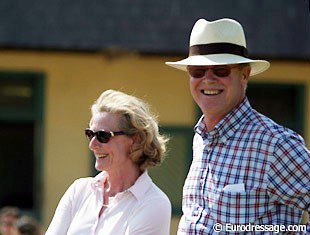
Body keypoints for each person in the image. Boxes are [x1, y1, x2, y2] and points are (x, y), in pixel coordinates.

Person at [166, 18, 310, 234]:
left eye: (221, 70)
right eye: (197, 71)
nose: (208, 79)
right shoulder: (201, 139)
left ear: (245, 75)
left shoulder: (275, 145)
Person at [45, 89, 171, 235]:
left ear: (136, 139)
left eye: (102, 135)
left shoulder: (154, 203)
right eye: (90, 134)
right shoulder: (79, 191)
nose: (92, 145)